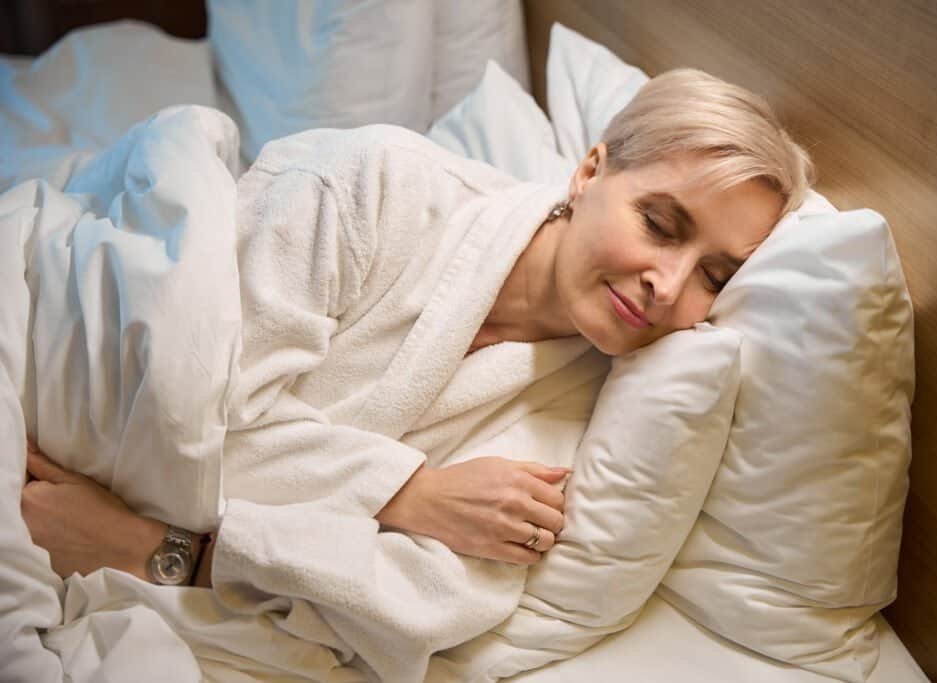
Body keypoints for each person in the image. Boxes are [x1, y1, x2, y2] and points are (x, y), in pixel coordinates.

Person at [20, 68, 812, 679]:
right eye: (659, 223)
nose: (667, 284)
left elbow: (422, 599)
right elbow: (194, 404)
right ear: (589, 172)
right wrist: (412, 495)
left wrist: (157, 548)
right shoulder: (376, 182)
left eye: (713, 273)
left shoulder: (596, 412)